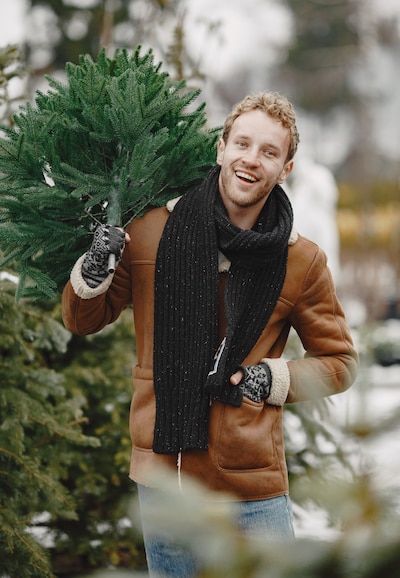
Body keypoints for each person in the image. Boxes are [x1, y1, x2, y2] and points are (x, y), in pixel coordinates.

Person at [62, 91, 358, 577]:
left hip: (252, 487)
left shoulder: (301, 260)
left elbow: (340, 362)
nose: (251, 160)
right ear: (221, 148)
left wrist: (272, 379)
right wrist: (94, 268)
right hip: (165, 477)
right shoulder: (152, 231)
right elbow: (82, 320)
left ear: (286, 168)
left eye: (269, 152)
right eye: (243, 143)